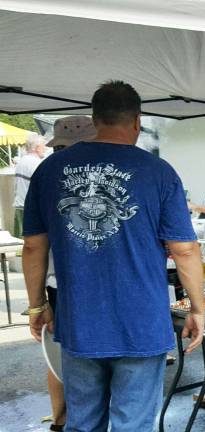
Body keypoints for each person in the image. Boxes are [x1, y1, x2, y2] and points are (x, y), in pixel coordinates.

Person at [22, 80, 205, 432]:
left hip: (79, 321)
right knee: (132, 425)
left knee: (83, 422)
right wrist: (197, 308)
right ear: (137, 121)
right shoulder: (159, 171)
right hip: (141, 323)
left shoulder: (50, 170)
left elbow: (33, 246)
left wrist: (36, 306)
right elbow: (184, 249)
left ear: (95, 118)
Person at [37, 115, 98, 431]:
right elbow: (36, 246)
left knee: (63, 351)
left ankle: (64, 420)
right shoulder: (90, 181)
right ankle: (66, 419)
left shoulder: (46, 178)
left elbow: (34, 246)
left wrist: (38, 302)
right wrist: (39, 303)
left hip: (60, 286)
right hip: (69, 286)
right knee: (74, 355)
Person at [14, 133, 46, 238]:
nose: (45, 149)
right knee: (33, 241)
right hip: (30, 208)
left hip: (19, 205)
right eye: (43, 146)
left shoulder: (21, 161)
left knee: (21, 241)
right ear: (37, 148)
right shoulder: (36, 164)